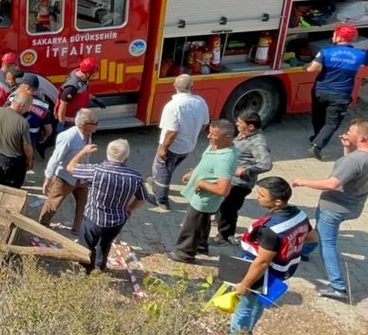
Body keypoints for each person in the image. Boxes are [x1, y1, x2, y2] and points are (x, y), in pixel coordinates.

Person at [293, 119, 368, 302]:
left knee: (328, 244)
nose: (346, 132)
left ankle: (338, 286)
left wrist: (302, 181)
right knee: (319, 231)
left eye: (350, 131)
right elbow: (354, 172)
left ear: (361, 137)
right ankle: (303, 251)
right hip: (354, 205)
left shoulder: (355, 160)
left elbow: (332, 184)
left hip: (334, 207)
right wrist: (347, 148)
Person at [229, 177, 316, 335]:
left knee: (244, 307)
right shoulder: (300, 215)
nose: (257, 197)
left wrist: (245, 284)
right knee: (258, 303)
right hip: (281, 271)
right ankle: (248, 332)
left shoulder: (271, 229)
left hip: (262, 273)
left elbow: (262, 262)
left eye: (261, 195)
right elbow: (312, 237)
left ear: (277, 202)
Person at [65, 139, 150, 273]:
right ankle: (100, 267)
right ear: (126, 157)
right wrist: (130, 208)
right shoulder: (136, 176)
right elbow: (143, 198)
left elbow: (70, 167)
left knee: (87, 245)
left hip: (93, 219)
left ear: (107, 154)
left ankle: (86, 269)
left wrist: (83, 151)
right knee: (105, 244)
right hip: (117, 221)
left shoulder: (96, 170)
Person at [168, 119, 237, 264]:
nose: (209, 137)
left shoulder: (224, 160)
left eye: (214, 134)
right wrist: (193, 173)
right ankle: (201, 246)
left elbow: (223, 189)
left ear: (227, 138)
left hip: (205, 200)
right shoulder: (215, 146)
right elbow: (205, 163)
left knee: (192, 225)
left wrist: (201, 183)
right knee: (203, 223)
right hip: (201, 197)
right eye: (209, 133)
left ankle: (184, 253)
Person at [307, 24, 368, 160]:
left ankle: (317, 137)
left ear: (338, 36)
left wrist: (306, 65)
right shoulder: (361, 54)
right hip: (341, 94)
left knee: (318, 115)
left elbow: (311, 69)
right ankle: (317, 145)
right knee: (332, 122)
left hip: (320, 91)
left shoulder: (326, 52)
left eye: (334, 34)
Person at [212, 112, 273, 245]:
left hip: (240, 184)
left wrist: (245, 171)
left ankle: (225, 236)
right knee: (221, 203)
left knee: (228, 208)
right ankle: (220, 220)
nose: (237, 124)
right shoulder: (243, 134)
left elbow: (266, 164)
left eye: (240, 122)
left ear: (250, 126)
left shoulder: (258, 143)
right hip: (229, 178)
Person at [152, 74, 211, 209]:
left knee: (164, 171)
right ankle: (156, 183)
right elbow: (204, 124)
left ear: (174, 86)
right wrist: (192, 133)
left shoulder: (172, 106)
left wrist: (163, 148)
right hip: (189, 146)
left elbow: (172, 132)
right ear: (192, 87)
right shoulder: (200, 102)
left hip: (173, 147)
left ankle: (161, 200)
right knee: (168, 168)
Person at [39, 108, 99, 233]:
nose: (98, 125)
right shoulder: (68, 137)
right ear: (84, 125)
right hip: (65, 177)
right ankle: (41, 227)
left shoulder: (88, 134)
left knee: (84, 203)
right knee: (53, 203)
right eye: (95, 123)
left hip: (82, 177)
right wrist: (48, 178)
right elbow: (55, 158)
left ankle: (78, 229)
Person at [0, 93, 35, 188]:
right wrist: (30, 160)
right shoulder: (22, 123)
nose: (29, 109)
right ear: (21, 106)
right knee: (11, 188)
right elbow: (27, 146)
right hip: (12, 162)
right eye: (29, 106)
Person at [16, 74, 55, 158]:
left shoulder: (14, 99)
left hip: (15, 136)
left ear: (27, 87)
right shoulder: (44, 106)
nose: (19, 86)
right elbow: (48, 129)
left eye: (21, 84)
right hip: (31, 139)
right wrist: (45, 137)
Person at [54, 56, 99, 128]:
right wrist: (61, 122)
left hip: (77, 115)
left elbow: (82, 92)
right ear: (87, 73)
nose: (94, 76)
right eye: (93, 74)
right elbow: (63, 105)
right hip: (70, 120)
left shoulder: (82, 76)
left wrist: (93, 98)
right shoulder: (71, 87)